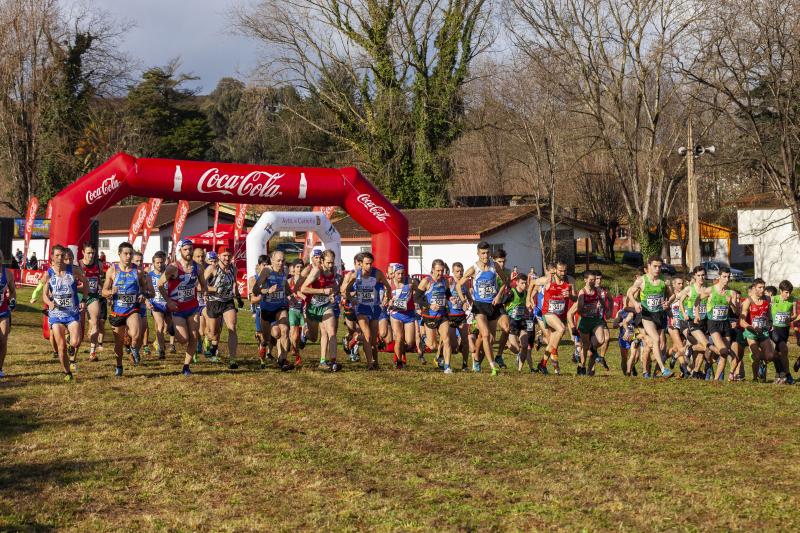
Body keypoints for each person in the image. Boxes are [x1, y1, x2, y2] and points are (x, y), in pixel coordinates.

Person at [457, 241, 508, 375]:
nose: (485, 256)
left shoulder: (494, 266)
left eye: (487, 253)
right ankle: (493, 367)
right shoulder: (474, 268)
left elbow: (505, 281)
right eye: (483, 253)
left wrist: (498, 295)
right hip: (479, 306)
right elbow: (458, 285)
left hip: (493, 305)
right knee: (485, 334)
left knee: (489, 339)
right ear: (478, 253)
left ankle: (476, 359)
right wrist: (464, 301)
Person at [158, 239, 208, 376]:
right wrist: (168, 301)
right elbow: (160, 284)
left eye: (190, 249)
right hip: (177, 308)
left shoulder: (198, 267)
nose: (188, 252)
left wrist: (204, 293)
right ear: (180, 251)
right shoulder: (173, 267)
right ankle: (172, 328)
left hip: (192, 307)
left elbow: (203, 284)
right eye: (185, 249)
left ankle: (186, 366)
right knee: (183, 339)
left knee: (193, 337)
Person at [102, 242, 152, 376]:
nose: (128, 256)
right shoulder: (113, 270)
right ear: (119, 254)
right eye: (126, 253)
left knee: (136, 334)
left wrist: (143, 295)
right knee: (118, 343)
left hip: (132, 309)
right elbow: (103, 291)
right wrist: (111, 292)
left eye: (130, 253)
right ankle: (119, 365)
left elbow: (145, 289)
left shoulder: (138, 271)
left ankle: (134, 347)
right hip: (117, 311)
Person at [41, 245, 88, 381]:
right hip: (56, 315)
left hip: (72, 313)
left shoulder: (73, 270)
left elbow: (85, 282)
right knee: (61, 347)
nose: (60, 258)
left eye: (62, 255)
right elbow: (44, 295)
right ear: (52, 257)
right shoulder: (48, 274)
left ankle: (71, 346)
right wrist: (50, 304)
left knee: (76, 342)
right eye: (57, 256)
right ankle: (67, 372)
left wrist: (84, 299)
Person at [625, 256, 675, 379]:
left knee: (660, 344)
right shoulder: (642, 280)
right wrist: (636, 303)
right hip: (646, 315)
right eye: (655, 266)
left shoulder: (665, 281)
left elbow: (672, 295)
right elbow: (629, 293)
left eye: (659, 266)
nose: (657, 269)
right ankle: (663, 370)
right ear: (648, 266)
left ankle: (650, 369)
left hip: (659, 315)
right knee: (656, 339)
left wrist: (668, 303)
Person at [342, 252, 389, 370]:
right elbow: (346, 291)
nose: (369, 266)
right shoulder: (355, 275)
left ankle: (375, 362)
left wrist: (386, 298)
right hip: (361, 308)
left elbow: (387, 286)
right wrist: (351, 298)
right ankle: (370, 364)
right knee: (367, 335)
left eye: (370, 263)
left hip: (374, 308)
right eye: (366, 264)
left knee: (373, 339)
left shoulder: (377, 273)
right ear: (361, 264)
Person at [529, 261, 576, 375]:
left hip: (560, 315)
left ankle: (542, 364)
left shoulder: (570, 281)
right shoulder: (548, 280)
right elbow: (532, 283)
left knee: (553, 343)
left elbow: (574, 298)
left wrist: (569, 295)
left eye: (564, 270)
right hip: (547, 313)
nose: (562, 273)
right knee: (561, 329)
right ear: (555, 270)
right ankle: (555, 367)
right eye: (560, 270)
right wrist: (528, 299)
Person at [693, 266, 737, 381]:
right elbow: (697, 300)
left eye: (728, 277)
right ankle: (707, 362)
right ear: (719, 277)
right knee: (723, 350)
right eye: (724, 277)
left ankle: (716, 380)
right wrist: (697, 315)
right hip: (713, 323)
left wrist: (731, 304)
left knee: (724, 354)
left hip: (725, 324)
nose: (727, 279)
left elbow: (736, 311)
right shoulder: (710, 290)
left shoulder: (732, 293)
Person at [251, 250, 293, 371]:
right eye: (278, 260)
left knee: (284, 330)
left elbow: (285, 285)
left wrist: (291, 296)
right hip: (266, 309)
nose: (281, 263)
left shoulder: (285, 270)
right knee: (268, 338)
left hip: (280, 306)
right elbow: (255, 290)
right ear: (272, 260)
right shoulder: (267, 271)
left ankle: (282, 360)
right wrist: (267, 291)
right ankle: (263, 344)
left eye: (283, 260)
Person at [301, 250, 341, 372]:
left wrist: (333, 293)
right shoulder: (317, 271)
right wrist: (322, 291)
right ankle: (304, 332)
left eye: (332, 262)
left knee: (330, 332)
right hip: (312, 307)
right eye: (328, 262)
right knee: (313, 337)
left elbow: (334, 286)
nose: (330, 265)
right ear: (322, 261)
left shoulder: (333, 270)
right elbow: (303, 288)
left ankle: (330, 361)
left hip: (326, 305)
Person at [204, 246, 242, 369]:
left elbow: (235, 283)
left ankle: (232, 359)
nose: (227, 258)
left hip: (228, 302)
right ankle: (212, 345)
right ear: (219, 256)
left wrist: (238, 297)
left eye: (229, 255)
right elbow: (199, 286)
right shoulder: (212, 268)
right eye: (224, 255)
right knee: (214, 333)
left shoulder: (233, 268)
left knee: (232, 328)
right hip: (213, 302)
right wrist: (215, 289)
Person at [416, 259, 454, 374]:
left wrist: (450, 298)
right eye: (438, 270)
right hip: (430, 316)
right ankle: (423, 339)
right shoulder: (426, 281)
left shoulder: (445, 281)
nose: (440, 273)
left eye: (442, 271)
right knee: (432, 346)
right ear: (432, 270)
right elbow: (416, 298)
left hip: (442, 315)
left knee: (447, 339)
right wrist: (429, 305)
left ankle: (447, 366)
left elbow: (447, 293)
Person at [574, 270, 606, 376]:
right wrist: (591, 307)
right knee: (585, 346)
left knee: (601, 339)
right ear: (585, 280)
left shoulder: (597, 290)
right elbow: (579, 309)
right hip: (584, 321)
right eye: (591, 280)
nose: (593, 282)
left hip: (596, 320)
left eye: (594, 280)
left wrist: (606, 308)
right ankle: (582, 366)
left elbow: (601, 301)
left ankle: (593, 349)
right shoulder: (582, 292)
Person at [80, 243, 107, 362]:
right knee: (74, 324)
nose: (91, 255)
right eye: (88, 253)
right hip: (79, 296)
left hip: (92, 296)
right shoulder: (78, 265)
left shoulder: (99, 264)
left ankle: (92, 352)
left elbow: (99, 280)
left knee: (95, 322)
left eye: (93, 253)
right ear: (83, 253)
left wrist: (104, 289)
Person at [504, 273, 533, 372]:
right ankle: (506, 342)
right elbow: (502, 304)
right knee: (516, 349)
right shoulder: (511, 293)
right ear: (517, 283)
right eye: (522, 283)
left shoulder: (525, 293)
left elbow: (525, 304)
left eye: (525, 283)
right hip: (512, 322)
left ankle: (519, 369)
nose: (524, 285)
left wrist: (527, 308)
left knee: (524, 345)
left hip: (521, 322)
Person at [146, 251, 171, 360]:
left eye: (161, 262)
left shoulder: (169, 273)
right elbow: (145, 290)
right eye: (157, 263)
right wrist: (147, 301)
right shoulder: (149, 275)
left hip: (168, 303)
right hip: (156, 303)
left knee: (168, 327)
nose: (160, 265)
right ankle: (161, 350)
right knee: (160, 325)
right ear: (153, 263)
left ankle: (158, 341)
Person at [448, 262, 471, 371]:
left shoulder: (464, 284)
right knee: (454, 347)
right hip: (451, 316)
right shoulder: (450, 283)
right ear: (452, 272)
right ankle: (441, 356)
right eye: (457, 271)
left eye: (461, 271)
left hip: (461, 316)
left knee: (465, 341)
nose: (460, 273)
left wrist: (471, 306)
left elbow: (469, 297)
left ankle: (465, 365)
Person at [0, 250, 17, 377]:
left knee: (3, 340)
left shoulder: (8, 273)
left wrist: (12, 300)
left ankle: (0, 368)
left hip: (3, 311)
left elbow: (12, 292)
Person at [287, 259, 306, 367]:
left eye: (301, 267)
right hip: (293, 309)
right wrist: (291, 297)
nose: (299, 269)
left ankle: (299, 342)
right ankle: (297, 355)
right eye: (297, 267)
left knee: (304, 333)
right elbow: (286, 293)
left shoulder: (306, 280)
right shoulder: (290, 281)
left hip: (303, 309)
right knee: (294, 334)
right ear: (294, 268)